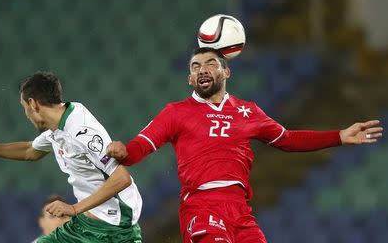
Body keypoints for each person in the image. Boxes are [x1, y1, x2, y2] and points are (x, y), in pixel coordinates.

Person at [106, 47, 384, 243]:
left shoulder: (249, 112)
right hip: (202, 207)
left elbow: (287, 140)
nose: (203, 70)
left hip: (240, 210)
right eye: (195, 66)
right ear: (190, 79)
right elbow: (141, 146)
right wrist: (125, 152)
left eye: (210, 63)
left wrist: (339, 136)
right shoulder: (176, 112)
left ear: (226, 72)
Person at [0, 71, 143, 243]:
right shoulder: (57, 127)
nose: (26, 114)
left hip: (115, 229)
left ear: (33, 104)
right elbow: (30, 151)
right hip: (85, 225)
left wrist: (73, 208)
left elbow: (122, 178)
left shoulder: (81, 131)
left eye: (24, 108)